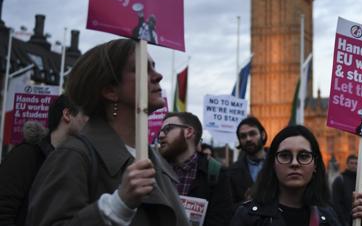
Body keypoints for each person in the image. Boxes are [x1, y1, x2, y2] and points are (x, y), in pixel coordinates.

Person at [27, 38, 188, 226]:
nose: (158, 75)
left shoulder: (156, 161)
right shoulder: (74, 156)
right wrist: (118, 205)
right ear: (111, 91)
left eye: (154, 66)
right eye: (143, 69)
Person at [231, 125, 362, 226]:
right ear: (273, 164)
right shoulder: (248, 216)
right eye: (285, 155)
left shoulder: (329, 217)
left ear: (315, 165)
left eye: (304, 156)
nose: (294, 163)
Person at [0, 95, 88, 226]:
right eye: (86, 114)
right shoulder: (26, 155)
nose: (90, 120)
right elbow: (3, 210)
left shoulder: (78, 162)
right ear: (67, 114)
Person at [158, 111, 232, 225]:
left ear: (188, 132)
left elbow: (221, 220)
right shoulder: (154, 171)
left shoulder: (216, 173)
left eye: (168, 129)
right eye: (161, 131)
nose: (161, 135)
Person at [229, 116, 267, 207]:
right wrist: (246, 203)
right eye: (243, 136)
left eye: (252, 133)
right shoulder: (232, 171)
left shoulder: (279, 164)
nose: (248, 139)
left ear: (262, 135)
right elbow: (228, 209)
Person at [332, 155, 359, 223]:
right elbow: (336, 203)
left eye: (356, 163)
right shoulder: (340, 180)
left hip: (358, 219)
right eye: (352, 163)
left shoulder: (360, 181)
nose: (354, 165)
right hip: (344, 221)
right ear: (347, 164)